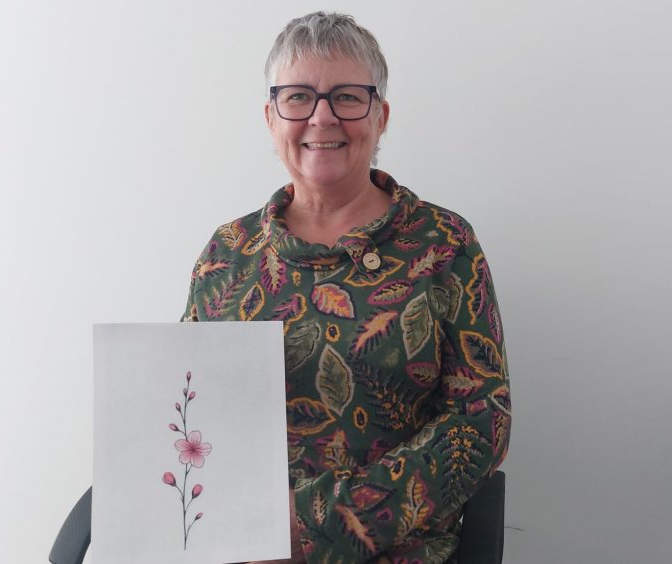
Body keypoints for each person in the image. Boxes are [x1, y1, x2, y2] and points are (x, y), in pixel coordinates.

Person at [182, 11, 510, 564]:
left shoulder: (443, 243)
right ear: (270, 115)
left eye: (347, 97)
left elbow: (483, 419)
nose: (322, 117)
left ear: (380, 115)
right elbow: (186, 402)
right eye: (298, 97)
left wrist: (320, 522)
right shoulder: (227, 254)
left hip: (391, 549)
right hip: (237, 546)